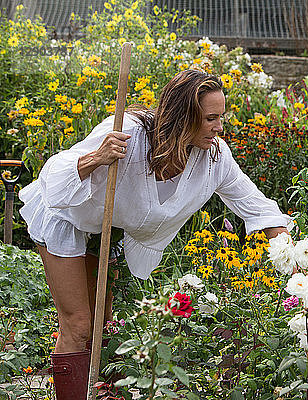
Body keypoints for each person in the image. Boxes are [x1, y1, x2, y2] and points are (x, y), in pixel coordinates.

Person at [18, 70, 290, 399]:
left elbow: (257, 207)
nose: (220, 127)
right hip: (66, 215)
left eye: (221, 117)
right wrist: (98, 157)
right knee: (77, 324)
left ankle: (91, 392)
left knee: (101, 326)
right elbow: (56, 175)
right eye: (211, 118)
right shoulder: (128, 132)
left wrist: (295, 259)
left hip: (107, 231)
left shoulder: (213, 158)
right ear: (183, 116)